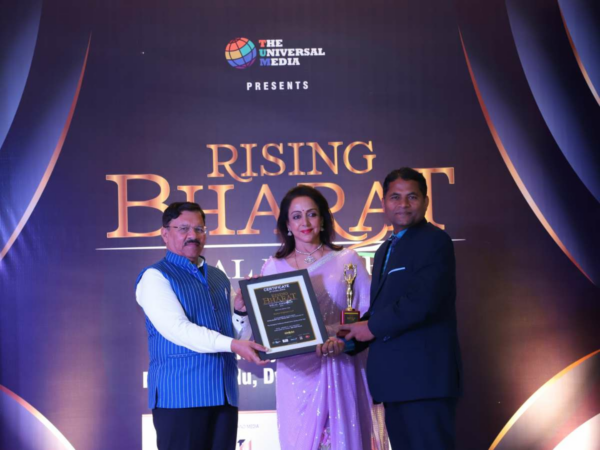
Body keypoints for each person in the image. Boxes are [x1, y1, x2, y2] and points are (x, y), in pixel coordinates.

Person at [340, 168, 463, 449]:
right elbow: (384, 307)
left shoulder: (435, 241)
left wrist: (369, 327)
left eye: (412, 197)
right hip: (394, 383)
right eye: (395, 197)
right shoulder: (385, 249)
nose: (403, 204)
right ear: (384, 203)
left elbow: (423, 302)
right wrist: (347, 339)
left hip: (425, 381)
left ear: (426, 202)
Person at [261, 185, 388, 450]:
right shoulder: (273, 267)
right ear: (287, 224)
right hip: (295, 374)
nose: (305, 223)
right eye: (296, 216)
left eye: (312, 214)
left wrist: (341, 339)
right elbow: (270, 327)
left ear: (322, 219)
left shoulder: (347, 260)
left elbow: (370, 314)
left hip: (339, 365)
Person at [136, 202, 268, 450]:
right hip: (180, 397)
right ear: (165, 233)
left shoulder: (218, 277)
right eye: (183, 228)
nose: (193, 235)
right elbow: (178, 330)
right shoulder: (155, 276)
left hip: (224, 395)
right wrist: (234, 344)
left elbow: (236, 334)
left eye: (199, 229)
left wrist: (241, 311)